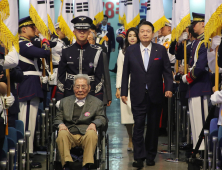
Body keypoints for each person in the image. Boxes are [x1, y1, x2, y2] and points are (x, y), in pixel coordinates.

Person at [121, 21, 173, 168]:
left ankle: (150, 155)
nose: (145, 34)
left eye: (148, 31)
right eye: (142, 31)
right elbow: (125, 73)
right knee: (138, 126)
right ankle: (139, 157)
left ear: (152, 33)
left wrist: (168, 87)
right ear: (138, 34)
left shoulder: (160, 50)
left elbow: (167, 72)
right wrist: (124, 91)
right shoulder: (131, 50)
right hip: (137, 94)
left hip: (155, 94)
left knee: (153, 127)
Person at [54, 74, 107, 170]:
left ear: (89, 87)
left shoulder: (97, 102)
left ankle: (87, 165)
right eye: (77, 87)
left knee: (92, 133)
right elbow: (57, 118)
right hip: (69, 133)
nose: (80, 90)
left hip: (86, 133)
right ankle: (66, 165)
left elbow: (102, 118)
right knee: (61, 134)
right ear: (73, 87)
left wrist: (94, 123)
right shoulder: (64, 102)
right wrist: (61, 124)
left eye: (83, 86)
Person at [17, 16, 51, 154]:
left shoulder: (28, 43)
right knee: (26, 121)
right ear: (23, 29)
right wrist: (44, 41)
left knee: (31, 121)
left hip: (32, 85)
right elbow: (44, 52)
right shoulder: (22, 43)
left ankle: (29, 151)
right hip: (28, 86)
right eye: (33, 27)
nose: (36, 29)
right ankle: (25, 154)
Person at [56, 16, 104, 105]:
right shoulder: (66, 50)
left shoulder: (97, 51)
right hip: (70, 93)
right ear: (74, 32)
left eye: (85, 30)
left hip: (91, 94)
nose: (82, 32)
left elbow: (99, 77)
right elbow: (61, 76)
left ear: (89, 32)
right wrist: (59, 98)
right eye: (78, 29)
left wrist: (99, 99)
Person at [182, 13, 212, 151]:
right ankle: (197, 148)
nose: (192, 26)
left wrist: (186, 78)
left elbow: (199, 67)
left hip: (201, 86)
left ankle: (202, 151)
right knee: (195, 121)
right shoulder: (197, 42)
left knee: (200, 120)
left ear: (203, 24)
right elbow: (180, 54)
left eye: (195, 24)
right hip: (194, 87)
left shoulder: (205, 41)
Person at [116, 27, 139, 151]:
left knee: (138, 116)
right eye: (130, 35)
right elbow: (119, 70)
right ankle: (130, 138)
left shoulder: (142, 50)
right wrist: (118, 88)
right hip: (126, 88)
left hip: (139, 87)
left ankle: (136, 139)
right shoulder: (122, 52)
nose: (132, 38)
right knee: (127, 117)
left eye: (134, 35)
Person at [87, 27, 112, 107]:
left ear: (94, 41)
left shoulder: (101, 54)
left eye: (90, 39)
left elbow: (106, 76)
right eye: (86, 39)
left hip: (99, 92)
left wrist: (108, 96)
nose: (88, 41)